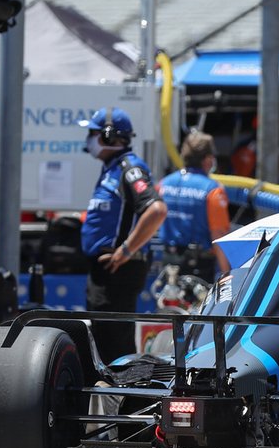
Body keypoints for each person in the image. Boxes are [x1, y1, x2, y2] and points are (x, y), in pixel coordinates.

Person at [79, 107, 167, 363]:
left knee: (115, 349)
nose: (88, 139)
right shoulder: (112, 169)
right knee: (106, 347)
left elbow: (157, 210)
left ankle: (127, 399)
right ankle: (119, 398)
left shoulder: (129, 168)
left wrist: (126, 250)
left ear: (108, 136)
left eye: (93, 133)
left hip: (117, 270)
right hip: (107, 270)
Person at [157, 130, 232, 282]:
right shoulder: (213, 190)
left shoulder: (163, 184)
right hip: (199, 267)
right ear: (208, 159)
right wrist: (227, 273)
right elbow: (218, 234)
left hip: (168, 262)